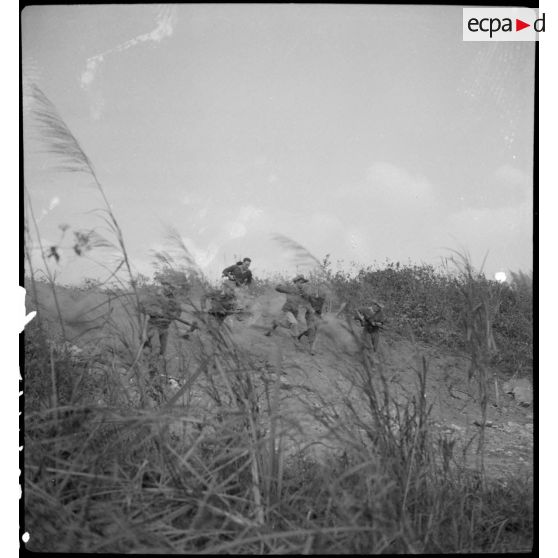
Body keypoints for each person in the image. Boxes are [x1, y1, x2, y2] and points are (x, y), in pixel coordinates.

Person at [140, 280, 192, 357]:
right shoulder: (154, 296)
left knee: (162, 352)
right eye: (166, 285)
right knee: (155, 348)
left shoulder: (173, 299)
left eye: (171, 287)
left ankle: (153, 361)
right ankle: (150, 363)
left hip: (165, 327)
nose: (169, 288)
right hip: (154, 326)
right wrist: (156, 311)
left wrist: (172, 316)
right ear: (163, 285)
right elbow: (143, 309)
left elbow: (178, 311)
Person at [265, 274, 313, 339]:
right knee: (294, 323)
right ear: (296, 282)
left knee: (287, 325)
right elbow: (278, 288)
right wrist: (279, 285)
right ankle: (295, 341)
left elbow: (307, 299)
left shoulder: (302, 292)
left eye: (303, 283)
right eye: (301, 282)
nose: (302, 284)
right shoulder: (290, 288)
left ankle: (270, 329)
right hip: (287, 310)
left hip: (294, 312)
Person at [297, 291, 327, 355]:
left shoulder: (322, 301)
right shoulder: (313, 298)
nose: (323, 297)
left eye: (324, 296)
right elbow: (306, 297)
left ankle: (301, 334)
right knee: (312, 330)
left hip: (317, 318)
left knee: (313, 331)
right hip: (309, 316)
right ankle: (311, 349)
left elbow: (321, 312)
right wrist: (301, 294)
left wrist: (322, 318)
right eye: (322, 295)